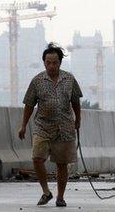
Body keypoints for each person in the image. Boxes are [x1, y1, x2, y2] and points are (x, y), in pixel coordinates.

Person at [18, 42, 83, 207]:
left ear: (60, 63)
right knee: (37, 158)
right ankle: (46, 192)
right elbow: (29, 105)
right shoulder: (37, 81)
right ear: (44, 62)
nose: (51, 66)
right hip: (43, 127)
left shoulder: (69, 79)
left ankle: (60, 197)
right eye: (48, 62)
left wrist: (78, 119)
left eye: (54, 62)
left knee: (62, 163)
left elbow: (75, 101)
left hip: (65, 127)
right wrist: (23, 125)